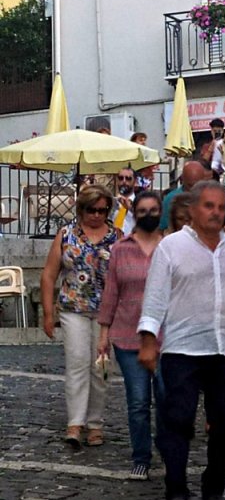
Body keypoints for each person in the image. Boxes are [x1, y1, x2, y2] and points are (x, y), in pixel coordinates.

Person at [137, 180, 225, 500]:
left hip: (224, 351)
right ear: (192, 210)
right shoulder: (172, 247)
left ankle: (214, 488)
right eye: (208, 206)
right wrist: (148, 339)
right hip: (183, 348)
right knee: (177, 420)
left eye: (221, 207)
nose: (215, 213)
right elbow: (156, 295)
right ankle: (176, 490)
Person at [40, 185, 119, 447]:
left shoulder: (117, 237)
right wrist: (48, 312)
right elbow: (50, 274)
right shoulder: (66, 235)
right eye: (91, 210)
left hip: (106, 312)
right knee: (76, 363)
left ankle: (95, 423)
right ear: (81, 209)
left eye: (102, 210)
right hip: (73, 308)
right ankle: (75, 422)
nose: (97, 215)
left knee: (101, 368)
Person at [97, 192, 164, 481]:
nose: (148, 214)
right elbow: (111, 292)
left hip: (167, 337)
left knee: (167, 399)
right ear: (134, 213)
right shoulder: (120, 249)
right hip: (127, 335)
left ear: (161, 212)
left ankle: (169, 448)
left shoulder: (172, 246)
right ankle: (141, 457)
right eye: (143, 210)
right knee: (137, 402)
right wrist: (103, 333)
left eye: (153, 210)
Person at [159, 161, 207, 231]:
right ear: (182, 180)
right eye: (190, 186)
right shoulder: (170, 199)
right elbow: (162, 228)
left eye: (198, 186)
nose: (194, 190)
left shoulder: (210, 198)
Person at [112, 166, 137, 235]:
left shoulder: (139, 202)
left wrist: (130, 208)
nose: (124, 181)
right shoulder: (112, 203)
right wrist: (123, 210)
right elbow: (116, 227)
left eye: (128, 178)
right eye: (120, 178)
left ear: (135, 181)